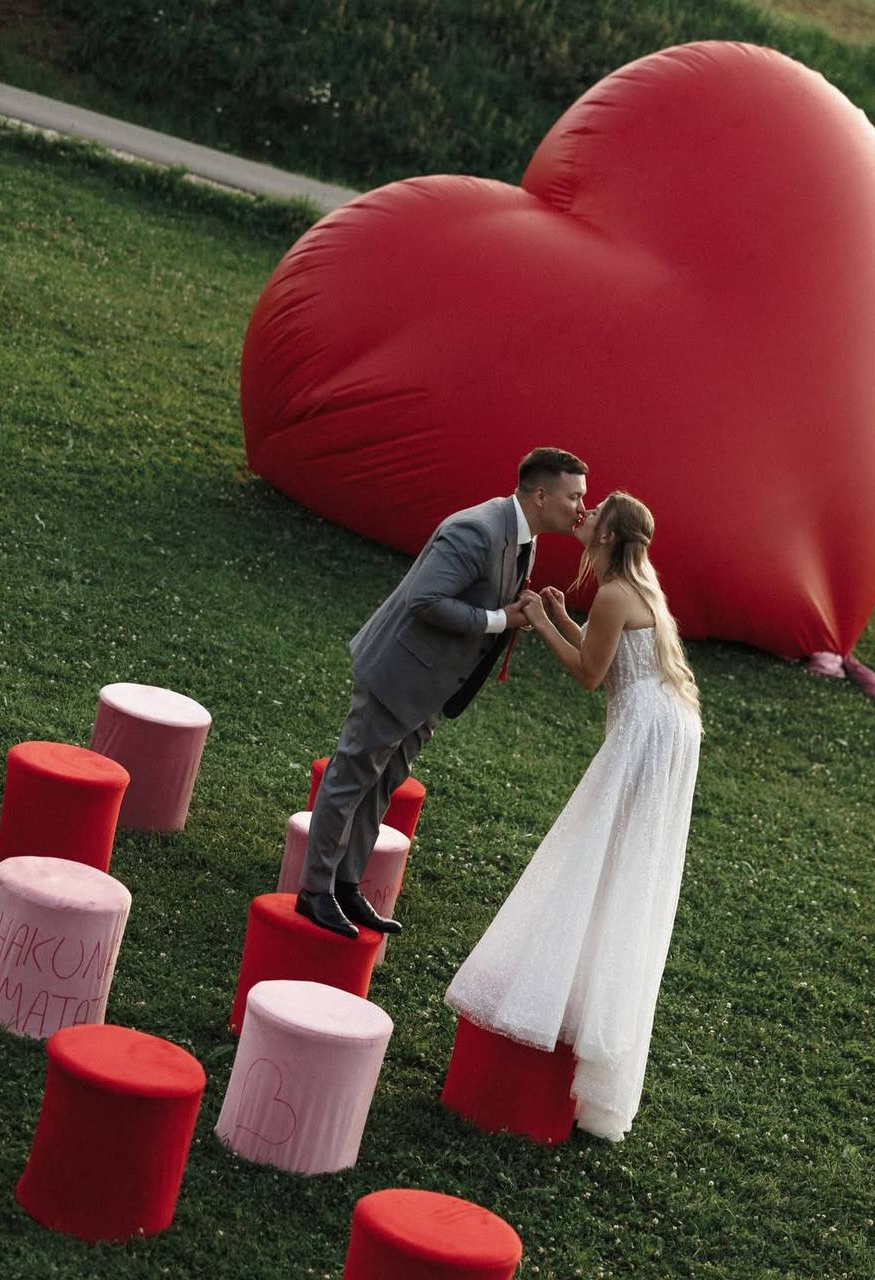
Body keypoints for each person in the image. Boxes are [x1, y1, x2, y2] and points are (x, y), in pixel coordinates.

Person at [445, 491, 701, 1141]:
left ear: (610, 537)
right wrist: (560, 614)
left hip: (646, 731)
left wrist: (539, 618)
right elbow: (609, 657)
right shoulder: (638, 586)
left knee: (600, 842)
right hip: (669, 727)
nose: (585, 517)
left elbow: (590, 675)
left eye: (596, 514)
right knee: (616, 849)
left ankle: (568, 983)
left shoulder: (614, 592)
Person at [296, 447, 589, 938]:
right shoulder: (477, 530)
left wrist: (514, 611)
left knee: (383, 782)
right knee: (351, 777)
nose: (581, 507)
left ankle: (346, 885)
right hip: (398, 674)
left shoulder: (524, 536)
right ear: (541, 495)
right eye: (574, 496)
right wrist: (500, 619)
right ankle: (314, 892)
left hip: (430, 687)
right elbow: (425, 600)